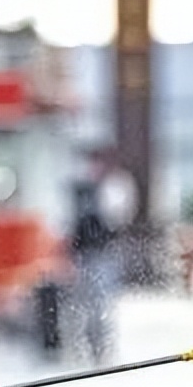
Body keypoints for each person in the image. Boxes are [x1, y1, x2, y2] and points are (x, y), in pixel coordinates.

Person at [69, 146, 137, 363]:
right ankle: (88, 346)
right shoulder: (82, 186)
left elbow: (117, 218)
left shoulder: (116, 185)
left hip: (105, 252)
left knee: (102, 303)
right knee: (85, 303)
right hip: (83, 253)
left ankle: (103, 348)